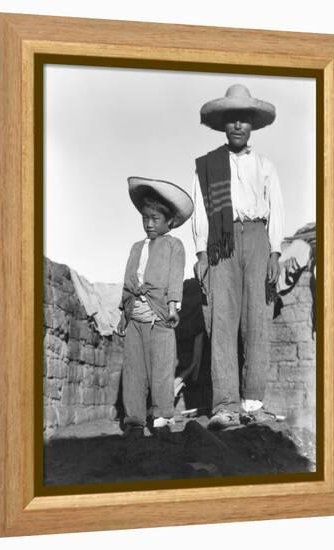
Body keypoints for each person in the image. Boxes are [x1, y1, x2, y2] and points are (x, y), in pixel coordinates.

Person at [192, 84, 285, 428]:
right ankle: (225, 404)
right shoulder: (207, 166)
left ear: (252, 125)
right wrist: (202, 252)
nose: (237, 126)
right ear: (223, 124)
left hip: (259, 239)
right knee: (223, 320)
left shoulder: (265, 165)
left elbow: (276, 209)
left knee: (257, 320)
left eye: (243, 120)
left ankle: (253, 401)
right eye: (231, 119)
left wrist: (275, 252)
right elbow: (202, 211)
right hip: (222, 241)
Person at [117, 177, 194, 438]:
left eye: (155, 219)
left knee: (161, 368)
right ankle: (134, 419)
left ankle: (162, 415)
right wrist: (123, 313)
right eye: (145, 218)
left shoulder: (174, 245)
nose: (149, 224)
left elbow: (174, 278)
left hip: (159, 317)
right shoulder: (136, 248)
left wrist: (173, 307)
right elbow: (128, 280)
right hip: (135, 318)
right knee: (134, 371)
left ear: (169, 221)